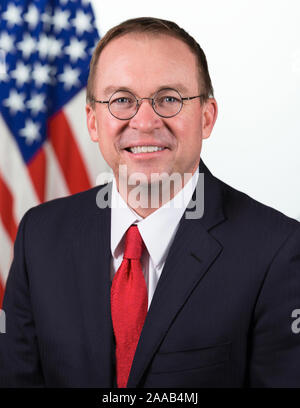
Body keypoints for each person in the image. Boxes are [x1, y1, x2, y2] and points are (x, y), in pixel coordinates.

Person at [0, 16, 300, 388]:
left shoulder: (278, 250)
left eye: (169, 99)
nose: (144, 121)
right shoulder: (39, 236)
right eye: (122, 100)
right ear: (92, 122)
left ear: (206, 118)